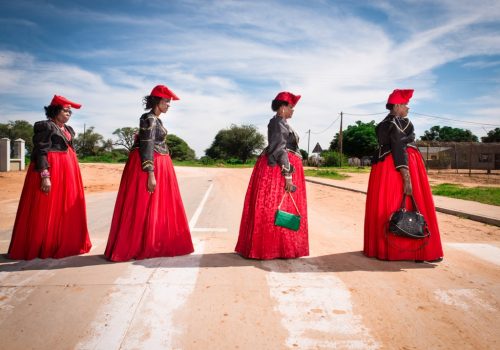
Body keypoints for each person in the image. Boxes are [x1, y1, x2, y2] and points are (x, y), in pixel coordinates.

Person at [105, 85, 193, 261]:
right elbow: (146, 146)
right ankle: (139, 244)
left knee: (152, 206)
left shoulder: (156, 119)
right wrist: (150, 172)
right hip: (149, 166)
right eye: (166, 101)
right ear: (158, 101)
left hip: (159, 163)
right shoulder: (149, 119)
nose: (169, 105)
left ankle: (152, 241)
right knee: (142, 205)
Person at [8, 95, 92, 260]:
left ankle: (62, 242)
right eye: (66, 110)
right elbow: (41, 151)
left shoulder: (68, 130)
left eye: (70, 112)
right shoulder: (45, 126)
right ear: (55, 110)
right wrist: (45, 175)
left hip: (68, 173)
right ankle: (43, 245)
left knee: (64, 206)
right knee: (46, 208)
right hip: (52, 171)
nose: (69, 114)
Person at [364, 89, 443, 261]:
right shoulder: (399, 123)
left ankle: (383, 249)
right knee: (409, 202)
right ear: (398, 105)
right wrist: (406, 178)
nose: (408, 108)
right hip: (400, 167)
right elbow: (399, 147)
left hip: (383, 168)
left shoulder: (383, 124)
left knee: (386, 205)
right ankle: (415, 250)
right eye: (406, 105)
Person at [235, 91, 308, 259]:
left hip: (280, 169)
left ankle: (280, 246)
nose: (293, 111)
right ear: (282, 108)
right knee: (275, 207)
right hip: (277, 171)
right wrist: (288, 175)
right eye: (291, 107)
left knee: (280, 207)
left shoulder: (282, 122)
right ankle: (271, 247)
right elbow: (279, 149)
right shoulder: (278, 123)